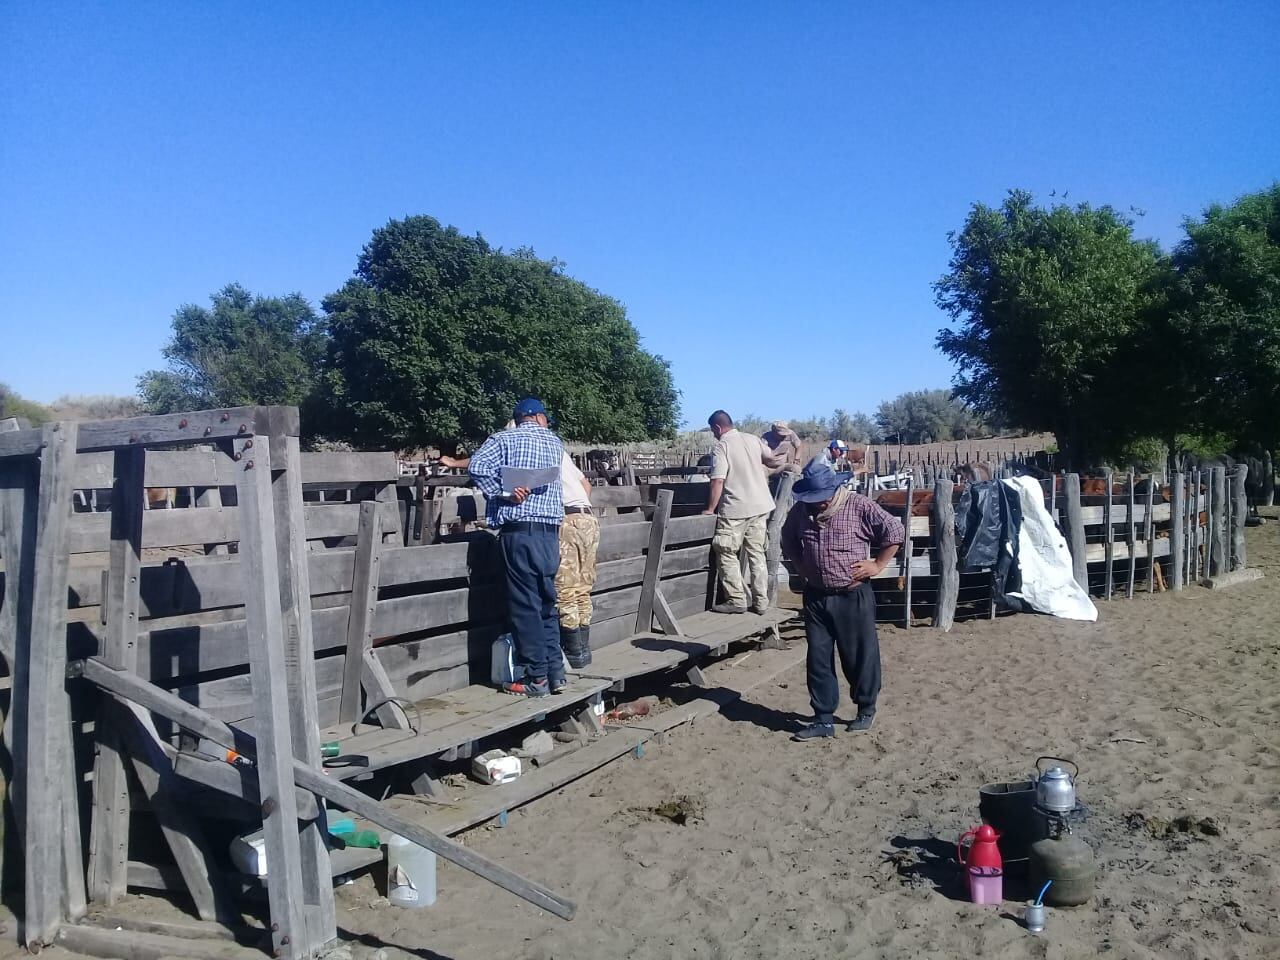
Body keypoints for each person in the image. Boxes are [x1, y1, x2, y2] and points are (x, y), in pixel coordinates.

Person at [781, 459, 904, 740]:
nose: (819, 504)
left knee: (859, 654)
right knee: (819, 657)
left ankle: (865, 709)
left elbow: (895, 532)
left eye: (822, 498)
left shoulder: (859, 505)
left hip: (852, 594)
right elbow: (787, 538)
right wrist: (800, 564)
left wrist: (877, 564)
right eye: (814, 499)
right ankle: (823, 718)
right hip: (816, 595)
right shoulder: (801, 511)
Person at [468, 399, 565, 698]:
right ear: (536, 417)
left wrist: (503, 492)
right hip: (550, 535)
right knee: (547, 604)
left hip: (519, 533)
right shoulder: (555, 443)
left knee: (524, 607)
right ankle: (555, 673)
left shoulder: (503, 438)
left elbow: (477, 466)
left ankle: (536, 678)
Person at [703, 410, 783, 615]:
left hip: (736, 508)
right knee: (756, 553)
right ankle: (761, 602)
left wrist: (710, 509)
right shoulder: (753, 439)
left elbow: (718, 480)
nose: (714, 434)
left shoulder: (723, 446)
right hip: (760, 506)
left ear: (718, 428)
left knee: (726, 550)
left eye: (713, 430)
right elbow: (772, 458)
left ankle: (736, 599)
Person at [555, 449, 598, 669]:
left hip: (567, 518)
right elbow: (586, 485)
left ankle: (572, 651)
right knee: (583, 587)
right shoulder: (559, 452)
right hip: (587, 518)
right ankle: (583, 649)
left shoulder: (530, 449)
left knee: (565, 587)